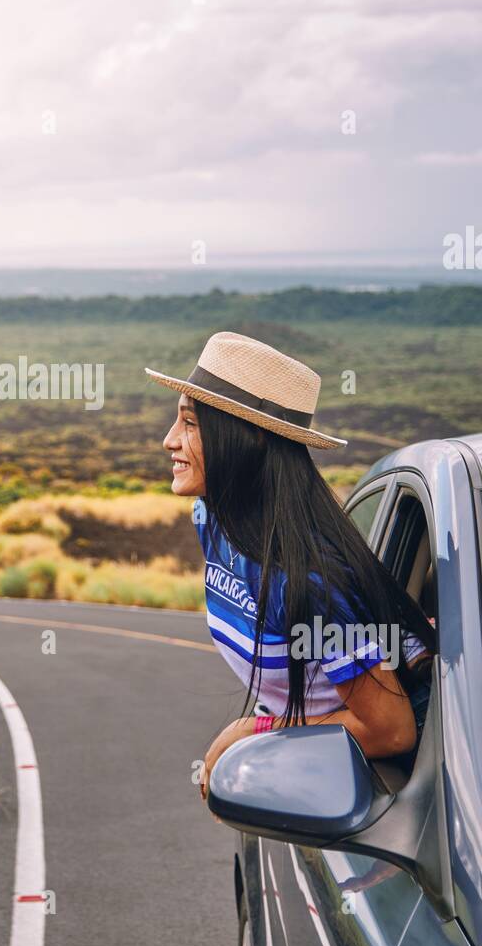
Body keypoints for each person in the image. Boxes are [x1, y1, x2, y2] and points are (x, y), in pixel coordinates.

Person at [144, 331, 435, 802]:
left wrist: (254, 731)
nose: (168, 440)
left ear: (250, 439)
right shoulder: (211, 518)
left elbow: (392, 732)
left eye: (191, 423)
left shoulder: (309, 585)